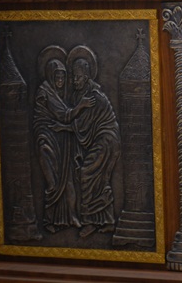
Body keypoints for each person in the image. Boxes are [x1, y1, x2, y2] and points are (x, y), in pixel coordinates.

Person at [66, 46, 121, 238]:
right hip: (100, 140)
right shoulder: (79, 96)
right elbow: (80, 127)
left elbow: (83, 127)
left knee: (87, 174)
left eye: (78, 77)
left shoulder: (94, 97)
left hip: (106, 139)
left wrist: (67, 124)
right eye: (73, 77)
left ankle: (89, 221)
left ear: (87, 76)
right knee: (100, 181)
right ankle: (107, 221)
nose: (74, 81)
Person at [33, 50, 79, 233]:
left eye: (63, 75)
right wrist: (82, 106)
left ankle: (72, 216)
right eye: (57, 75)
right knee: (53, 184)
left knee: (68, 182)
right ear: (51, 75)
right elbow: (64, 115)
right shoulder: (46, 91)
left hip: (63, 143)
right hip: (47, 144)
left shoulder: (60, 94)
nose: (60, 79)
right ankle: (49, 222)